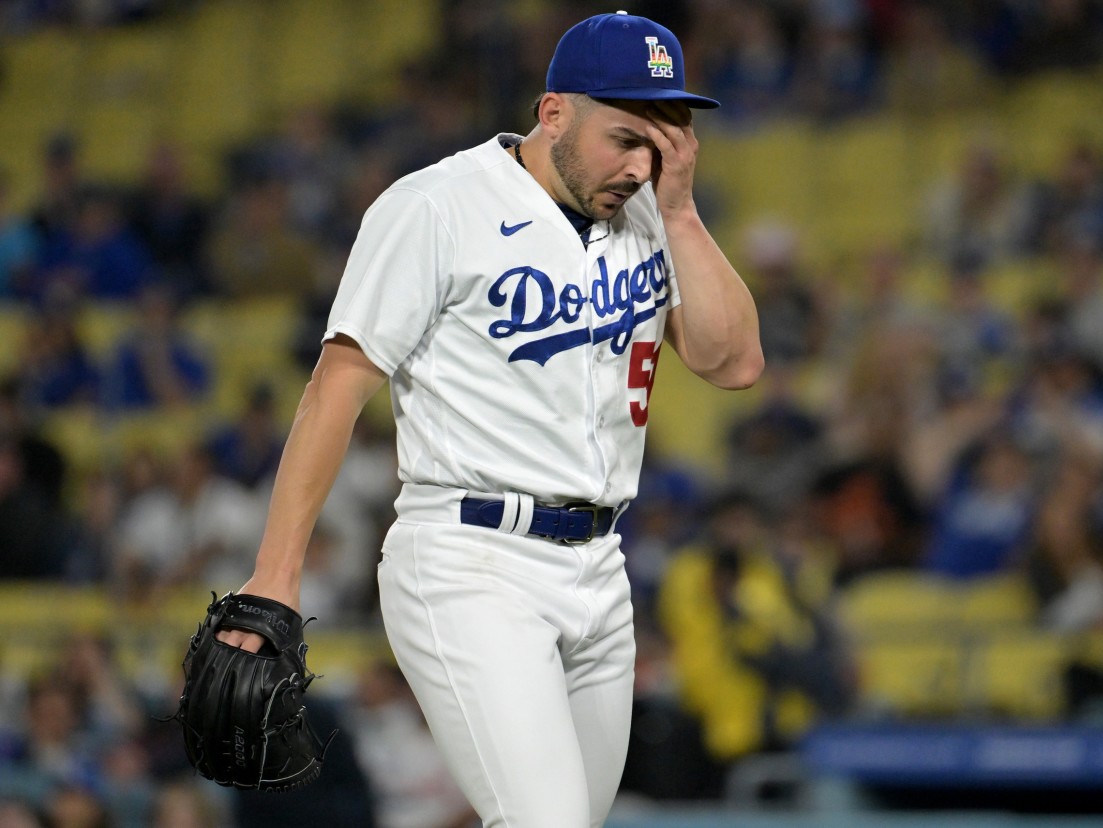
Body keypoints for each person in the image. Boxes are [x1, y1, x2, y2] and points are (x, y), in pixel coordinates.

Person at [214, 11, 763, 828]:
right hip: (470, 559)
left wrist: (680, 213)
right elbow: (336, 385)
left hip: (600, 570)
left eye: (662, 141)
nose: (642, 163)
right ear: (554, 114)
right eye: (624, 137)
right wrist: (277, 573)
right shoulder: (438, 207)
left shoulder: (649, 212)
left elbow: (734, 363)